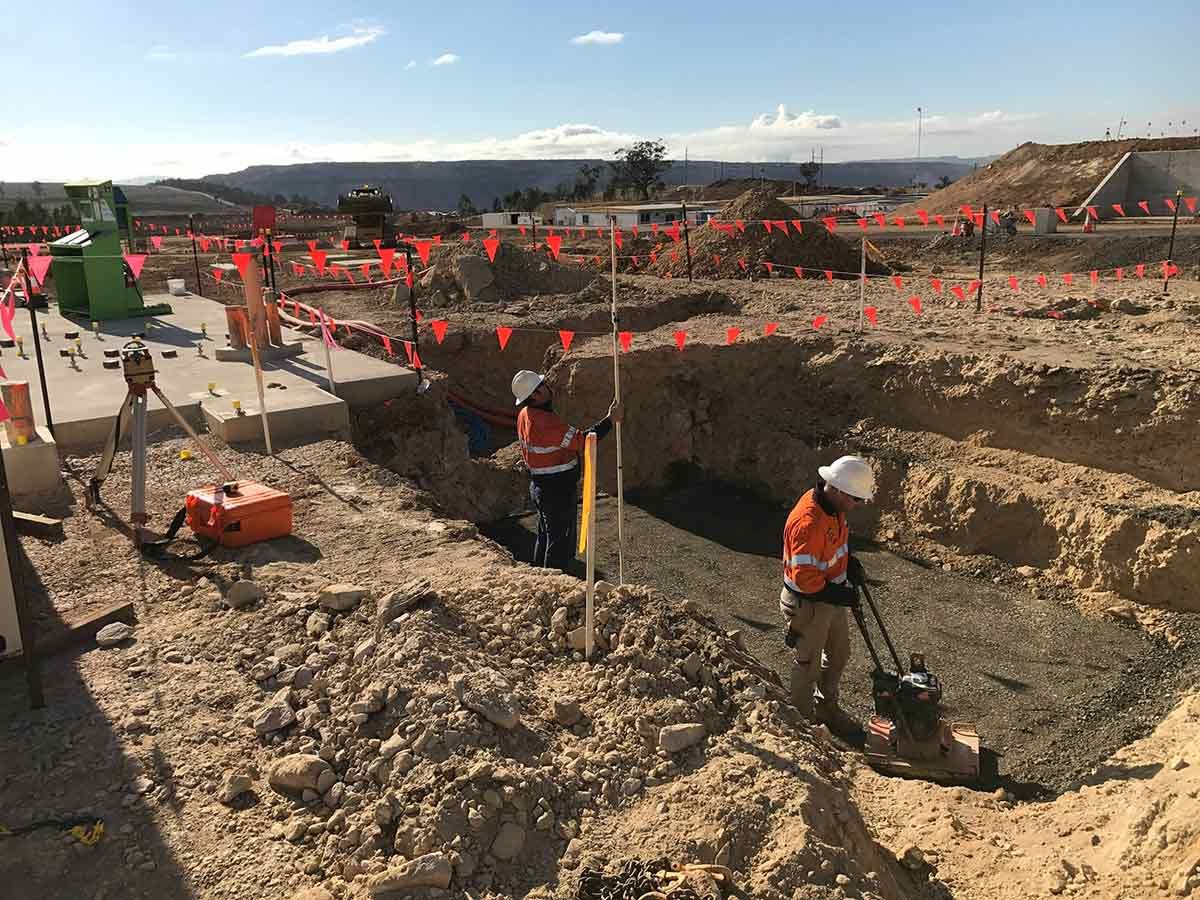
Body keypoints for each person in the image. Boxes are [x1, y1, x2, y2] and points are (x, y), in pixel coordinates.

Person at [779, 455, 875, 731]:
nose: (858, 505)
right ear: (839, 490)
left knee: (839, 654)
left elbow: (833, 546)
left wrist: (849, 564)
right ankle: (801, 726)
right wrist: (837, 595)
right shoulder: (808, 523)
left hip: (830, 596)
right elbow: (804, 577)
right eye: (856, 499)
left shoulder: (834, 508)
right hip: (808, 603)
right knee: (807, 665)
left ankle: (826, 710)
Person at [512, 370, 620, 571]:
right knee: (559, 543)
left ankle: (541, 578)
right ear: (535, 395)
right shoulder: (546, 422)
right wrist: (610, 420)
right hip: (556, 489)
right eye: (542, 386)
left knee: (546, 536)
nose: (548, 387)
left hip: (541, 485)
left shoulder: (525, 414)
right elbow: (583, 442)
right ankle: (556, 585)